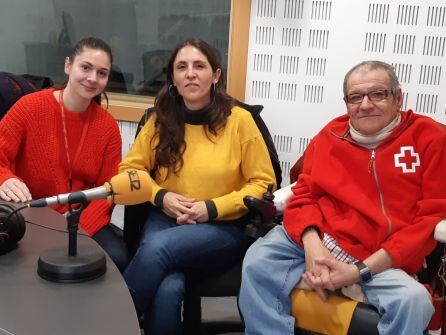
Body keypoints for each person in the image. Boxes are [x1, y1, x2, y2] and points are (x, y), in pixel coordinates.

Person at [239, 60, 446, 335]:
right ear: (346, 102)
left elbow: (430, 218)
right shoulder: (330, 136)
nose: (365, 105)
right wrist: (313, 244)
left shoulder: (430, 138)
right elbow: (304, 194)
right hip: (324, 236)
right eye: (355, 97)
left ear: (398, 98)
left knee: (414, 303)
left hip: (381, 253)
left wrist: (359, 271)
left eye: (378, 94)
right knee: (257, 262)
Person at [119, 38, 276, 335]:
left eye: (199, 66)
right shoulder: (159, 120)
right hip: (165, 218)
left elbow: (263, 183)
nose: (190, 73)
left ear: (215, 75)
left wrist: (212, 207)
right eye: (182, 67)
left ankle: (107, 325)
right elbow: (130, 171)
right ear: (173, 79)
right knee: (167, 289)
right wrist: (160, 196)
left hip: (224, 225)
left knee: (157, 249)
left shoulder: (240, 120)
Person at [0, 37, 129, 272]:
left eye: (102, 73)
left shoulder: (108, 127)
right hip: (31, 215)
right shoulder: (29, 107)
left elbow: (108, 190)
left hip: (79, 221)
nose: (92, 78)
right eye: (86, 67)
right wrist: (5, 177)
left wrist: (80, 232)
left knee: (117, 259)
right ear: (68, 65)